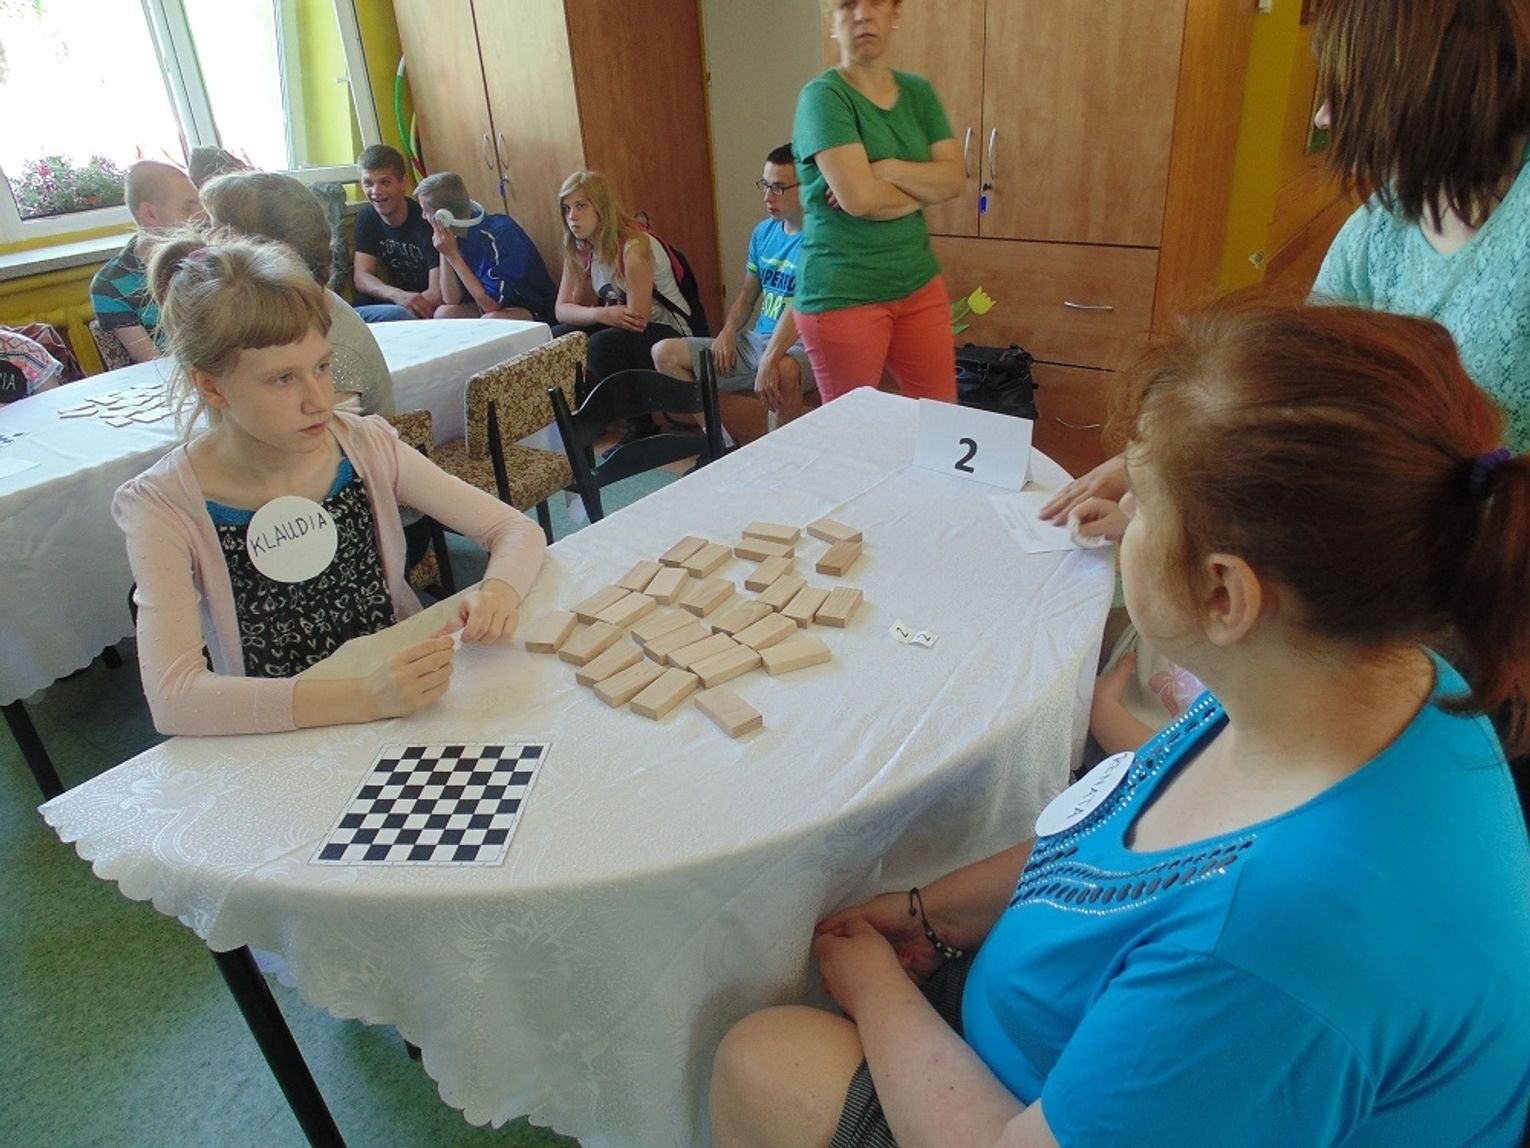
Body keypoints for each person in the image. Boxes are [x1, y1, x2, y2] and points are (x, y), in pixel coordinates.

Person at [711, 297, 1530, 1147]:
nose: (1119, 519)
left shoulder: (1272, 946)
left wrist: (876, 990)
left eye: (1141, 504)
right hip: (1098, 1047)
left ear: (1225, 595)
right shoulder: (1360, 680)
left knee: (763, 1058)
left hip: (1020, 1113)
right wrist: (934, 912)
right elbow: (1128, 830)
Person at [113, 235, 547, 737]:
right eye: (282, 379)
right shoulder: (163, 505)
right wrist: (364, 697)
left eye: (322, 366)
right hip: (281, 727)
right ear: (210, 386)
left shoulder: (364, 445)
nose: (319, 400)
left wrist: (498, 590)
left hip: (402, 701)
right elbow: (173, 698)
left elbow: (515, 530)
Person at [1311, 0, 1530, 453]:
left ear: (1417, 94)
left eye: (1344, 92)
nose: (1323, 118)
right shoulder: (1376, 228)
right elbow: (1309, 375)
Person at [790, 0, 964, 403]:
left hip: (919, 285)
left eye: (875, 3)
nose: (862, 14)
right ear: (832, 22)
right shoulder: (823, 98)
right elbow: (862, 200)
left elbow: (955, 180)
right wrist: (924, 187)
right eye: (847, 5)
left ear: (894, 13)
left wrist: (887, 168)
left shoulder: (918, 93)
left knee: (942, 421)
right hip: (842, 295)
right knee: (857, 431)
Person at [200, 170, 395, 417]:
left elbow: (321, 440)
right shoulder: (302, 308)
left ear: (275, 254)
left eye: (220, 231)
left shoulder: (325, 354)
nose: (207, 241)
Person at [652, 144, 816, 434]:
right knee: (664, 352)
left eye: (779, 188)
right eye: (765, 185)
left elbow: (800, 310)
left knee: (783, 370)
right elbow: (747, 297)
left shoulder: (820, 240)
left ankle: (774, 454)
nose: (768, 197)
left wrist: (770, 359)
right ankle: (719, 439)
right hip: (757, 342)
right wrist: (727, 331)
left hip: (801, 347)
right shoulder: (763, 232)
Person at [553, 169, 694, 393]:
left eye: (581, 206)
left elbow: (638, 319)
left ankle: (634, 414)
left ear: (601, 208)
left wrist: (600, 315)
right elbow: (561, 309)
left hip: (668, 330)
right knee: (560, 337)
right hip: (619, 320)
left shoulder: (633, 246)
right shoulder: (579, 246)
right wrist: (599, 314)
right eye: (566, 208)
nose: (572, 216)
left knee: (600, 346)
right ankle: (582, 410)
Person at [89, 161, 203, 363]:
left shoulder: (211, 255)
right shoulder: (109, 285)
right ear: (150, 213)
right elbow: (154, 363)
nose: (202, 216)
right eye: (188, 208)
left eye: (201, 205)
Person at [415, 171, 556, 323]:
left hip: (532, 309)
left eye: (425, 211)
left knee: (492, 319)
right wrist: (446, 252)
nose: (423, 216)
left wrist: (454, 256)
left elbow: (491, 304)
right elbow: (451, 299)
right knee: (443, 313)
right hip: (491, 308)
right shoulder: (453, 238)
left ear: (443, 216)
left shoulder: (501, 233)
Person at [351, 143, 441, 322]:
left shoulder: (425, 220)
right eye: (368, 183)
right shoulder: (367, 217)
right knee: (360, 304)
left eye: (385, 182)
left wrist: (407, 303)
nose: (376, 191)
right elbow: (361, 277)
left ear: (403, 182)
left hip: (429, 301)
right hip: (399, 298)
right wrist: (396, 295)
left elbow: (437, 292)